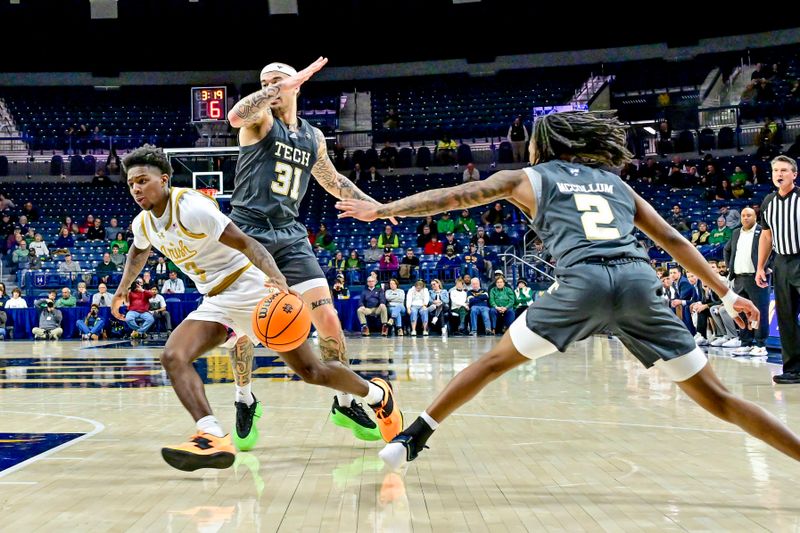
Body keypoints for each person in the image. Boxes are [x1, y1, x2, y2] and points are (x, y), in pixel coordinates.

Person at [336, 110, 800, 469]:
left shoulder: (527, 178)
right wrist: (725, 293)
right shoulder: (616, 183)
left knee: (494, 361)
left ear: (545, 145)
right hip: (640, 283)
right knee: (720, 399)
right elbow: (674, 240)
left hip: (584, 283)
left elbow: (455, 198)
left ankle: (413, 435)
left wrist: (383, 209)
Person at [114, 144, 401, 471]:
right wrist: (122, 290)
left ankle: (377, 395)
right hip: (217, 300)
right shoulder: (143, 224)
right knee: (172, 355)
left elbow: (248, 242)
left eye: (143, 180)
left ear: (164, 179)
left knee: (312, 372)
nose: (136, 188)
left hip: (250, 288)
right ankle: (211, 435)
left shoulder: (192, 208)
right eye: (131, 183)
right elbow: (138, 252)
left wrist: (277, 279)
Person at [227, 58, 401, 446]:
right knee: (243, 329)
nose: (269, 87)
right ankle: (244, 397)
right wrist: (276, 88)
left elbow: (332, 180)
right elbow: (236, 116)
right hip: (248, 233)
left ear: (298, 87)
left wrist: (377, 207)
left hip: (290, 236)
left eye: (278, 82)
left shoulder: (313, 136)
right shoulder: (259, 122)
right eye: (263, 82)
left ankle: (344, 401)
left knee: (329, 322)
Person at [757, 155, 800, 383]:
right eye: (775, 171)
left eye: (784, 170)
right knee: (786, 317)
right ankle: (793, 369)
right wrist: (760, 266)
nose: (779, 174)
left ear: (794, 174)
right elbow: (766, 236)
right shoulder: (768, 202)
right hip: (781, 262)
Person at [724, 208, 770, 357]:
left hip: (756, 278)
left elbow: (772, 249)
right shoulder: (736, 232)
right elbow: (727, 249)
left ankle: (761, 344)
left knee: (760, 311)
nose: (745, 218)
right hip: (738, 278)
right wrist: (729, 266)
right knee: (742, 312)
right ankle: (746, 343)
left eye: (748, 215)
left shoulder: (762, 231)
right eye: (743, 215)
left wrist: (767, 267)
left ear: (755, 216)